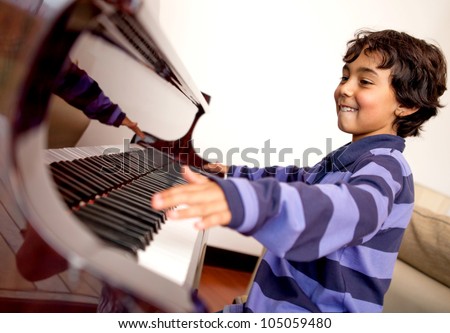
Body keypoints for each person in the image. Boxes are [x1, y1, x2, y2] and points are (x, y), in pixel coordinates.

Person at [151, 29, 447, 312]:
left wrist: (251, 201)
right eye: (345, 76)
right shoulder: (346, 159)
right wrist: (230, 173)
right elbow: (296, 178)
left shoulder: (387, 167)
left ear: (406, 105)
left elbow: (349, 209)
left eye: (365, 82)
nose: (345, 88)